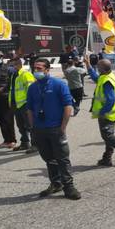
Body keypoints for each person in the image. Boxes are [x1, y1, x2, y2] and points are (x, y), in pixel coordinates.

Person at [26, 58, 80, 200]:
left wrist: (63, 127)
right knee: (49, 158)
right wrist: (32, 128)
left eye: (39, 68)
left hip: (56, 129)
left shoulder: (59, 84)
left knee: (62, 159)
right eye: (34, 68)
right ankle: (56, 183)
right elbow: (30, 109)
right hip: (39, 130)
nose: (36, 71)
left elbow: (68, 106)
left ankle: (69, 187)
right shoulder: (32, 88)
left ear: (47, 70)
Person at [8, 58, 36, 152]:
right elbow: (12, 90)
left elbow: (31, 89)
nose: (12, 66)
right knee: (21, 126)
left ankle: (35, 145)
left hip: (25, 104)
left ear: (19, 64)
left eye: (13, 64)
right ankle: (25, 143)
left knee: (30, 125)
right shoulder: (13, 75)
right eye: (11, 64)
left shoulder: (25, 74)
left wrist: (30, 103)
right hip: (16, 104)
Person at [0, 50, 16, 149]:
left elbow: (13, 82)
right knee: (0, 120)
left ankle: (12, 140)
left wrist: (4, 88)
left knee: (8, 119)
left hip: (5, 97)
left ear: (2, 57)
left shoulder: (9, 69)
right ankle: (6, 140)